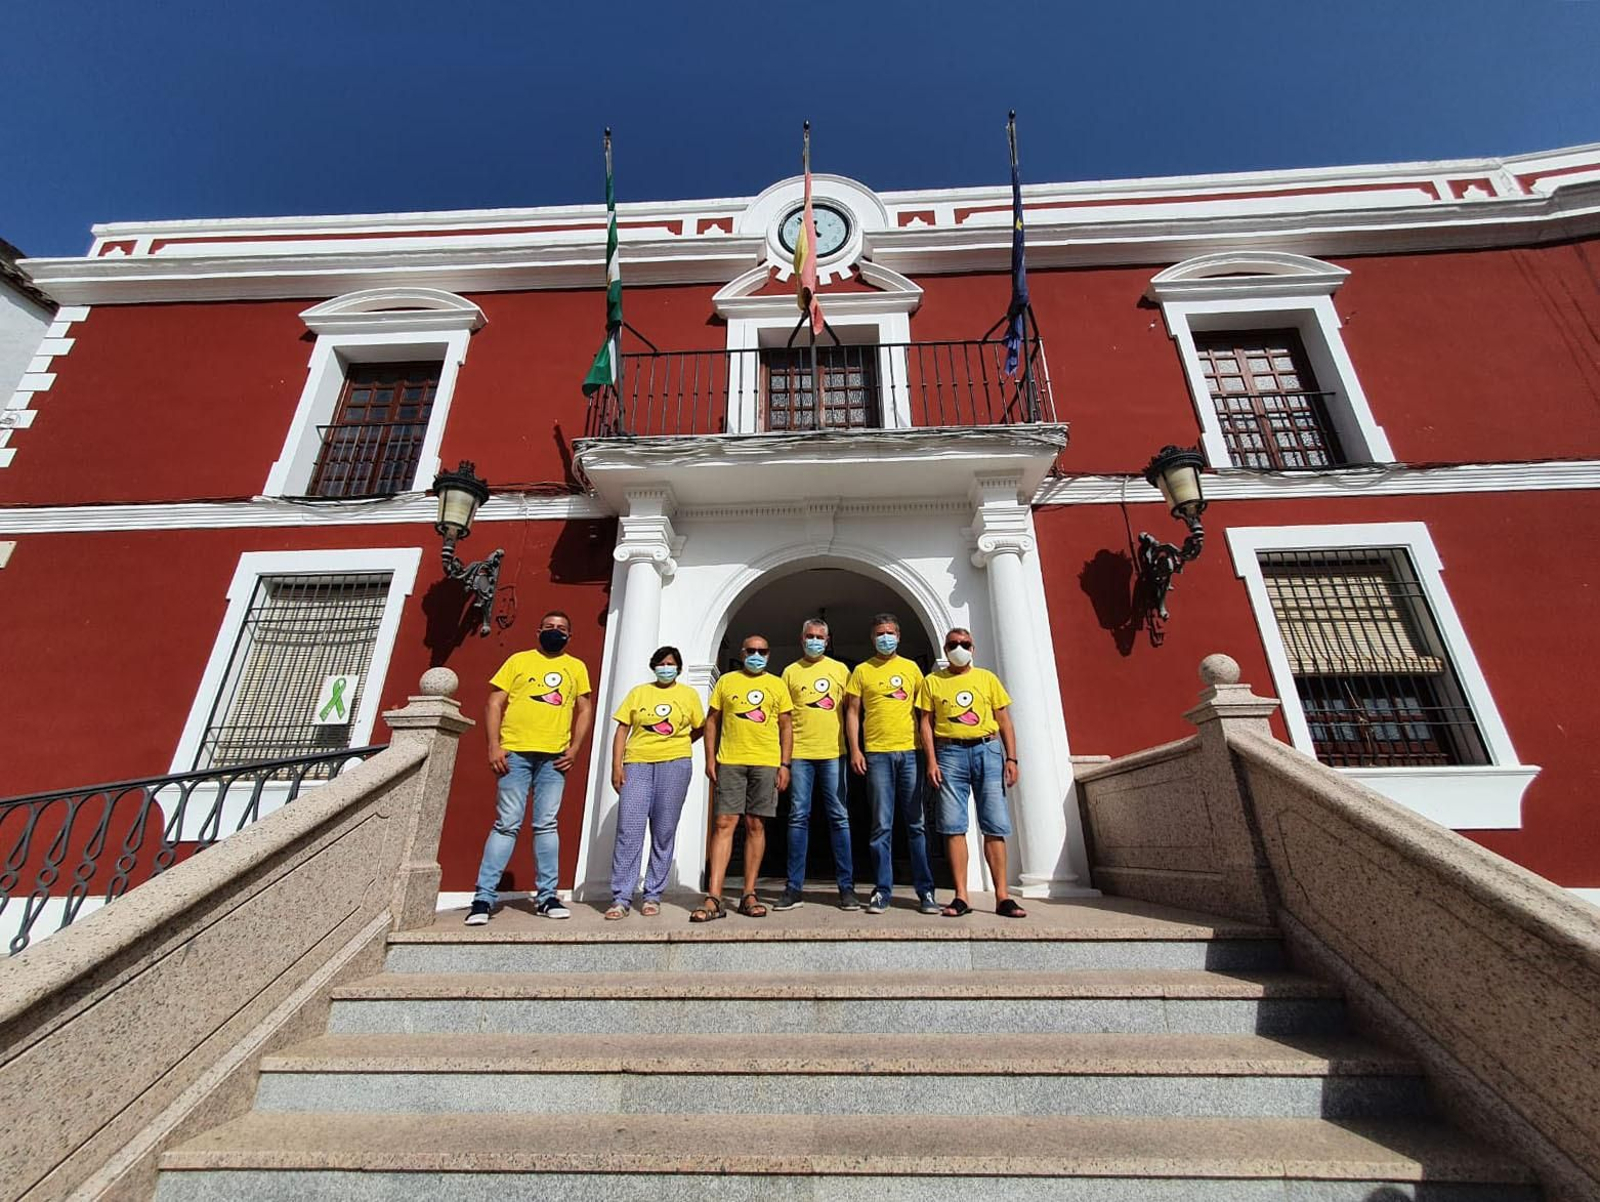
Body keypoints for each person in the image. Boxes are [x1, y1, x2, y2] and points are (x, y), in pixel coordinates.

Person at [466, 610, 593, 924]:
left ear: (569, 635)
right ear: (538, 631)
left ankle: (547, 896)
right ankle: (483, 898)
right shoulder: (518, 661)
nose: (555, 631)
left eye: (561, 628)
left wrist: (575, 748)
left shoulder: (576, 667)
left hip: (554, 757)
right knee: (506, 824)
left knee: (546, 825)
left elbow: (584, 707)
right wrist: (494, 745)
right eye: (549, 626)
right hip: (515, 753)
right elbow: (494, 702)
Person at [917, 627, 1027, 919]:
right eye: (953, 644)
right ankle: (961, 895)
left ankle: (1002, 896)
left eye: (965, 644)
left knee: (994, 824)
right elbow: (925, 723)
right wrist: (931, 761)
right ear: (945, 649)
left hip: (987, 750)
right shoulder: (932, 682)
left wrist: (1012, 758)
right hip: (949, 753)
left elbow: (1004, 720)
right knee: (953, 826)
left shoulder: (987, 678)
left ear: (973, 648)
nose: (959, 648)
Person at [695, 633, 793, 922]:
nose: (756, 655)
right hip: (730, 761)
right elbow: (711, 721)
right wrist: (709, 758)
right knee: (724, 823)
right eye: (751, 650)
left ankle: (749, 893)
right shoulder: (726, 681)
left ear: (769, 655)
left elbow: (786, 726)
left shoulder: (778, 684)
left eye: (762, 651)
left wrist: (785, 764)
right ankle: (714, 896)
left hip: (766, 762)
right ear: (742, 652)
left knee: (756, 825)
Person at [845, 613, 938, 916]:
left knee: (916, 825)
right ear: (872, 638)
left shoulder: (911, 669)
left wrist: (931, 755)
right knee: (881, 826)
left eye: (890, 633)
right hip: (877, 754)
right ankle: (882, 891)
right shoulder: (862, 670)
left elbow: (925, 713)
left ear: (898, 635)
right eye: (880, 633)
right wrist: (855, 749)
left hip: (911, 752)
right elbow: (852, 712)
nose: (885, 638)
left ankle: (926, 891)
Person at [605, 645, 705, 919]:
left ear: (679, 668)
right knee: (629, 830)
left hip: (675, 765)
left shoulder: (688, 694)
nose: (666, 668)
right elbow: (622, 729)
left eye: (671, 664)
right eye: (661, 663)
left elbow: (700, 726)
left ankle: (652, 894)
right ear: (653, 666)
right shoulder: (639, 692)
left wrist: (679, 744)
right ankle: (621, 897)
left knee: (664, 830)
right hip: (637, 763)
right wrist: (616, 766)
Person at [776, 618, 859, 911]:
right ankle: (793, 888)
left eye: (819, 637)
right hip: (799, 755)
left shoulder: (841, 670)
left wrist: (855, 749)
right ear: (802, 640)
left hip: (834, 754)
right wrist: (783, 761)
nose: (814, 641)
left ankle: (846, 889)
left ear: (828, 640)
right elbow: (783, 719)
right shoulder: (790, 672)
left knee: (839, 818)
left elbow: (852, 711)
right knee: (798, 817)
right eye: (809, 636)